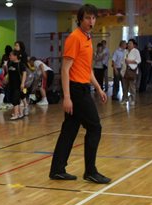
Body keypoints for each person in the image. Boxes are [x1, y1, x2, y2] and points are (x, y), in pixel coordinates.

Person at [49, 4, 110, 184]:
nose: (91, 21)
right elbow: (65, 69)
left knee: (69, 129)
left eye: (93, 18)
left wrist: (98, 88)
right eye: (88, 18)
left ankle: (57, 169)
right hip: (76, 90)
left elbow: (87, 68)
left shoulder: (87, 38)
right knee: (95, 127)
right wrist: (67, 97)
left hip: (83, 88)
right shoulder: (75, 38)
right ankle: (90, 171)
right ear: (80, 20)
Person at [5, 50, 26, 120]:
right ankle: (20, 113)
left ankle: (16, 114)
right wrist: (6, 79)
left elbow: (24, 74)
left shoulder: (21, 64)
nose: (9, 57)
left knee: (15, 99)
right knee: (15, 99)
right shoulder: (10, 63)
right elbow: (9, 73)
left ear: (15, 56)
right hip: (11, 85)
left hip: (18, 85)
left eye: (10, 55)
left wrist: (22, 83)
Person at [121, 38, 141, 104]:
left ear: (133, 45)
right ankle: (125, 99)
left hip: (132, 71)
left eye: (130, 43)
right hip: (125, 71)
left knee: (132, 86)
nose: (129, 44)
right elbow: (123, 60)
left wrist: (130, 61)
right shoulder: (125, 51)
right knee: (125, 86)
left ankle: (133, 99)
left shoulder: (136, 51)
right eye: (128, 43)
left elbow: (139, 60)